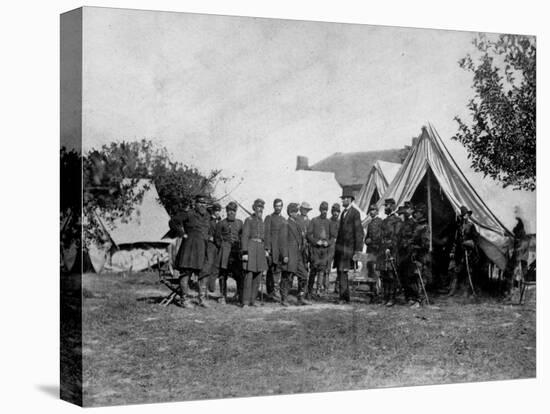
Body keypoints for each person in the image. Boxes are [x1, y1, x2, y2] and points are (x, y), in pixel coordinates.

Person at [168, 194, 211, 308]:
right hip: (189, 248)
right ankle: (184, 300)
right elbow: (173, 221)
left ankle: (202, 299)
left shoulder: (207, 216)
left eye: (205, 203)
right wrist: (182, 233)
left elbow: (209, 230)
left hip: (202, 248)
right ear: (195, 203)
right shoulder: (189, 213)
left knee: (204, 272)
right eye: (200, 203)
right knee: (186, 273)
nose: (203, 205)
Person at [333, 189, 364, 303]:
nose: (343, 200)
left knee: (343, 272)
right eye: (342, 198)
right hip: (341, 250)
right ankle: (344, 297)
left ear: (350, 199)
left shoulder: (355, 213)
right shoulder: (343, 213)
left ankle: (343, 298)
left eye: (345, 198)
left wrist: (357, 251)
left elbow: (359, 232)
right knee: (341, 272)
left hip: (349, 249)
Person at [279, 203, 311, 306]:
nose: (297, 213)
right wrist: (285, 255)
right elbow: (282, 241)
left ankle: (301, 297)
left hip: (298, 256)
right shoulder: (286, 224)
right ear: (291, 212)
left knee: (304, 275)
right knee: (287, 278)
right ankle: (284, 299)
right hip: (289, 255)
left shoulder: (297, 224)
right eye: (296, 211)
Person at [241, 199, 269, 307]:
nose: (260, 209)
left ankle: (253, 300)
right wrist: (245, 252)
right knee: (249, 276)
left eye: (262, 207)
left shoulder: (262, 222)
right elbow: (244, 236)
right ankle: (246, 302)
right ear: (254, 208)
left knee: (258, 276)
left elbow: (265, 237)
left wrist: (266, 250)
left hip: (260, 249)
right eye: (258, 207)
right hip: (251, 248)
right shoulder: (249, 220)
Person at [215, 202, 243, 304]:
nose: (231, 213)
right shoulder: (221, 223)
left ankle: (239, 294)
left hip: (236, 253)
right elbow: (217, 239)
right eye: (229, 211)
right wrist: (223, 246)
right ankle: (223, 296)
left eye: (233, 211)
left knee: (239, 275)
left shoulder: (240, 223)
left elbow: (242, 237)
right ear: (226, 211)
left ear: (236, 212)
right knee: (223, 274)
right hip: (225, 253)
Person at [306, 201, 337, 298]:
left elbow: (333, 237)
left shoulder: (329, 222)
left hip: (325, 251)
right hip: (315, 250)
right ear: (320, 210)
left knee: (322, 270)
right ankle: (309, 290)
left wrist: (328, 242)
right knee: (313, 270)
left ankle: (319, 290)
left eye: (326, 210)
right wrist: (316, 242)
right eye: (323, 209)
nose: (324, 211)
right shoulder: (314, 220)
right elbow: (308, 235)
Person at [447, 205, 478, 297]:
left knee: (468, 270)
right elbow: (455, 240)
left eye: (466, 215)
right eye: (463, 215)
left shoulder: (471, 226)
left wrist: (469, 243)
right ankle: (452, 290)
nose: (465, 216)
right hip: (459, 252)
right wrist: (452, 251)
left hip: (469, 252)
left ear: (468, 216)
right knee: (455, 270)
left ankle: (467, 291)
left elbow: (475, 238)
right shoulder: (458, 226)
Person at [396, 202, 418, 306]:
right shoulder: (403, 223)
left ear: (412, 210)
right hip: (402, 253)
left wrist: (408, 244)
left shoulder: (414, 222)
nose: (405, 210)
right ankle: (408, 297)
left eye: (408, 208)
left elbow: (415, 237)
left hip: (409, 252)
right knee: (403, 276)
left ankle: (415, 298)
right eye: (405, 208)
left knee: (410, 276)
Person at [264, 199, 285, 301]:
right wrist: (267, 249)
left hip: (280, 249)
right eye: (276, 206)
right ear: (273, 206)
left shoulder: (284, 219)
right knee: (270, 270)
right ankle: (270, 292)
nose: (278, 208)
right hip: (272, 247)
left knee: (278, 270)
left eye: (280, 206)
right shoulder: (269, 218)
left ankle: (275, 291)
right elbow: (266, 234)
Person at [381, 198, 401, 306]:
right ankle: (385, 296)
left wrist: (390, 247)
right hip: (383, 251)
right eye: (385, 206)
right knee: (384, 274)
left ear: (393, 206)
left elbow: (396, 237)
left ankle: (392, 298)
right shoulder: (384, 221)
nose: (385, 208)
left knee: (391, 274)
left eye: (387, 206)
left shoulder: (397, 221)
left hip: (392, 251)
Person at [411, 203, 432, 305]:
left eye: (417, 213)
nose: (415, 214)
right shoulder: (417, 225)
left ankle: (421, 300)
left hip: (422, 256)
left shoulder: (424, 227)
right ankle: (418, 299)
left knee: (421, 278)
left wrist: (415, 247)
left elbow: (426, 244)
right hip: (417, 254)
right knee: (417, 277)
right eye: (415, 213)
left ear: (422, 214)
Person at [364, 204, 384, 293]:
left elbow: (380, 237)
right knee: (370, 270)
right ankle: (372, 291)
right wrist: (366, 241)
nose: (371, 212)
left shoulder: (380, 222)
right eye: (370, 210)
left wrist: (371, 241)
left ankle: (377, 291)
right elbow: (367, 236)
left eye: (373, 210)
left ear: (377, 211)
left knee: (376, 271)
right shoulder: (370, 223)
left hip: (376, 250)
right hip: (370, 250)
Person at [203, 203, 222, 294]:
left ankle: (212, 286)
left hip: (218, 245)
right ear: (213, 211)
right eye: (216, 211)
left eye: (219, 211)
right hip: (210, 245)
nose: (217, 212)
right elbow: (205, 232)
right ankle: (205, 287)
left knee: (216, 266)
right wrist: (209, 237)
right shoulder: (208, 220)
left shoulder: (220, 221)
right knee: (209, 264)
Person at [329, 203, 341, 293]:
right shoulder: (328, 221)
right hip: (330, 246)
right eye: (334, 211)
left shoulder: (341, 222)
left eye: (337, 212)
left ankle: (337, 287)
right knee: (327, 266)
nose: (335, 213)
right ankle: (324, 286)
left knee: (339, 267)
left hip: (339, 247)